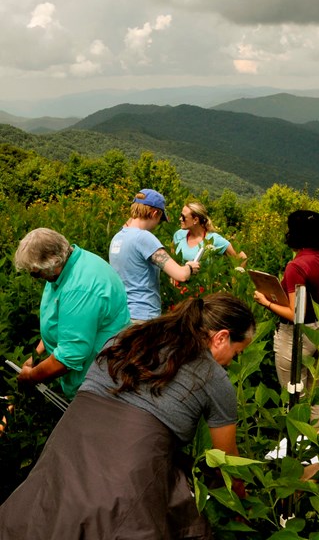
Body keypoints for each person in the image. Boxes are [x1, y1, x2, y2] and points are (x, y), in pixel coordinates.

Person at [0, 293, 255, 539]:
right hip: (129, 464)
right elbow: (227, 464)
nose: (232, 363)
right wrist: (241, 509)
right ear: (221, 338)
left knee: (45, 513)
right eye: (237, 353)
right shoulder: (213, 376)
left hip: (71, 442)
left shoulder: (130, 335)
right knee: (118, 524)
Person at [12, 228, 130, 399]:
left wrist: (31, 377)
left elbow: (71, 355)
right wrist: (36, 356)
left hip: (99, 383)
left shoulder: (80, 288)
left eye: (36, 273)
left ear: (52, 261)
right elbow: (61, 321)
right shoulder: (67, 266)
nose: (34, 277)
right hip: (88, 375)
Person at [253, 210, 319, 424]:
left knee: (295, 399)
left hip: (296, 336)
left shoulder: (296, 266)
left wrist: (266, 302)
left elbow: (294, 313)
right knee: (315, 395)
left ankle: (297, 448)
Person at [109, 188, 201, 321]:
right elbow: (180, 275)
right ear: (155, 213)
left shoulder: (118, 238)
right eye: (159, 219)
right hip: (143, 315)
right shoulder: (144, 237)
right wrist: (190, 267)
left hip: (121, 315)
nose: (157, 224)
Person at [173, 200, 247, 265]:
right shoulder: (179, 235)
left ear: (195, 220)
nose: (180, 219)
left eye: (183, 217)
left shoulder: (214, 239)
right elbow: (173, 259)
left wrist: (234, 279)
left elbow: (241, 257)